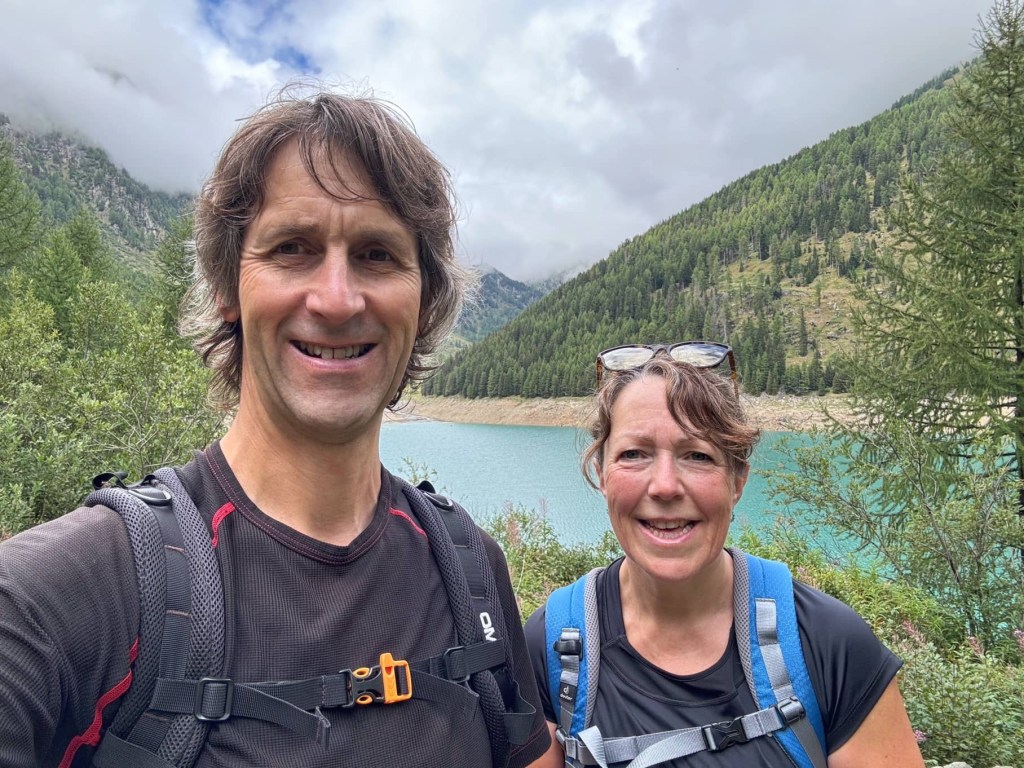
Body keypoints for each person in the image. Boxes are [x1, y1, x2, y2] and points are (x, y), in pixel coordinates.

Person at [0, 88, 549, 768]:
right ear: (227, 286)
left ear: (424, 299)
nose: (337, 299)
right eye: (292, 248)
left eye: (378, 254)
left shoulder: (468, 571)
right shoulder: (63, 594)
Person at [524, 342, 925, 768]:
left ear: (737, 482)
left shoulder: (828, 642)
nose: (665, 486)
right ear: (602, 475)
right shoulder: (551, 645)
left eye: (698, 455)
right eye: (634, 454)